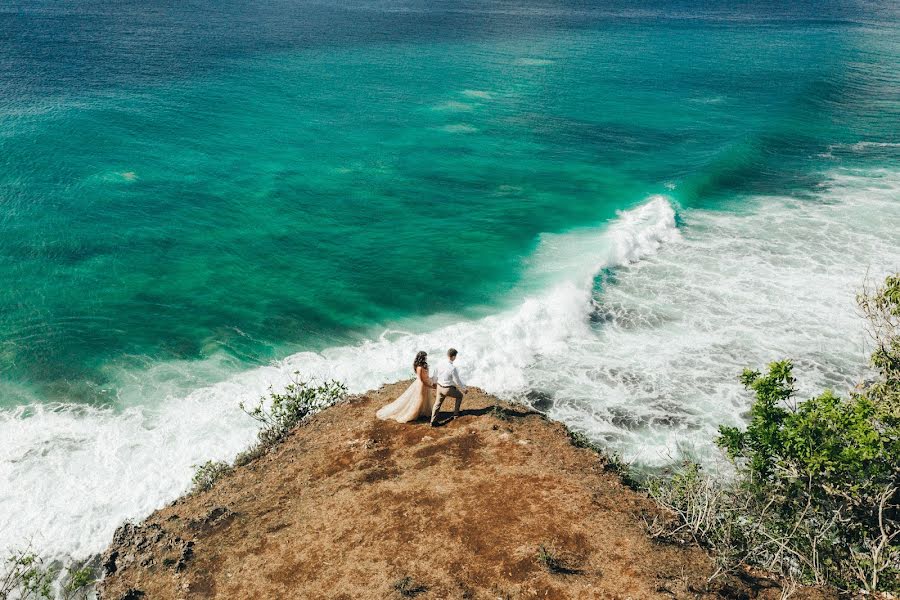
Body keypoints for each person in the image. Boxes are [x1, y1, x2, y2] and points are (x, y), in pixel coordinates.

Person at [375, 351, 435, 423]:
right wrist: (429, 385)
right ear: (421, 358)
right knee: (420, 399)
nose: (426, 358)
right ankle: (413, 415)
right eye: (425, 357)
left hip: (425, 383)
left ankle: (420, 412)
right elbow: (421, 379)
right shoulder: (419, 367)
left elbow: (426, 376)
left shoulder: (425, 365)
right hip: (421, 385)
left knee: (425, 399)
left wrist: (429, 381)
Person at [429, 348, 467, 426]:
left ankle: (432, 421)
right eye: (455, 356)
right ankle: (455, 414)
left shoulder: (439, 363)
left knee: (437, 404)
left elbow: (435, 374)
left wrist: (434, 383)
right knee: (460, 396)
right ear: (453, 357)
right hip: (447, 389)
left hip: (439, 387)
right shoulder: (453, 368)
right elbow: (457, 381)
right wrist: (463, 389)